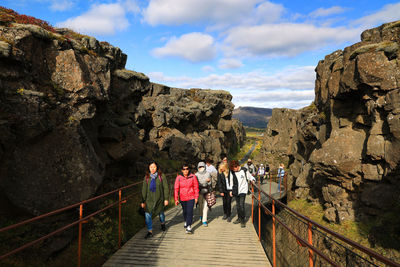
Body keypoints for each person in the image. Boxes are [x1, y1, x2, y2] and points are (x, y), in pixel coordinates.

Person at [141, 161, 169, 239]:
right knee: (147, 215)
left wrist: (166, 199)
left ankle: (162, 223)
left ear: (157, 168)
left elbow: (166, 187)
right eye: (151, 167)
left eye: (154, 167)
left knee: (161, 214)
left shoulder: (161, 176)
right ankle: (150, 231)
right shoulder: (147, 177)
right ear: (149, 168)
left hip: (159, 199)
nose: (152, 169)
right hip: (149, 200)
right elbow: (144, 189)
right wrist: (143, 201)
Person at [230, 160, 256, 228]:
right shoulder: (232, 172)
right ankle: (239, 218)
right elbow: (231, 181)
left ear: (237, 166)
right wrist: (230, 190)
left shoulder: (244, 170)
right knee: (238, 206)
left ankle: (243, 220)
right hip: (236, 191)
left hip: (243, 190)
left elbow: (249, 176)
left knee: (241, 205)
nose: (233, 170)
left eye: (234, 168)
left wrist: (253, 179)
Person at [174, 164, 199, 234]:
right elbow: (176, 189)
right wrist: (176, 199)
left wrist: (196, 197)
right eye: (184, 169)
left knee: (190, 211)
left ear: (189, 169)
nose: (185, 170)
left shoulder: (193, 176)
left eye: (187, 169)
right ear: (182, 170)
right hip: (182, 197)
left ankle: (188, 226)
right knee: (185, 211)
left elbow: (196, 187)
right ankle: (186, 221)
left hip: (191, 197)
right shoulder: (179, 178)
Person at [195, 162, 212, 227]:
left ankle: (204, 220)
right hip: (199, 192)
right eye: (200, 167)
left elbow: (210, 183)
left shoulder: (208, 173)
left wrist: (209, 181)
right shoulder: (196, 174)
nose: (201, 168)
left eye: (202, 167)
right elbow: (195, 183)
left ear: (204, 167)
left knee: (206, 206)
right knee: (200, 205)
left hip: (207, 191)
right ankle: (201, 215)